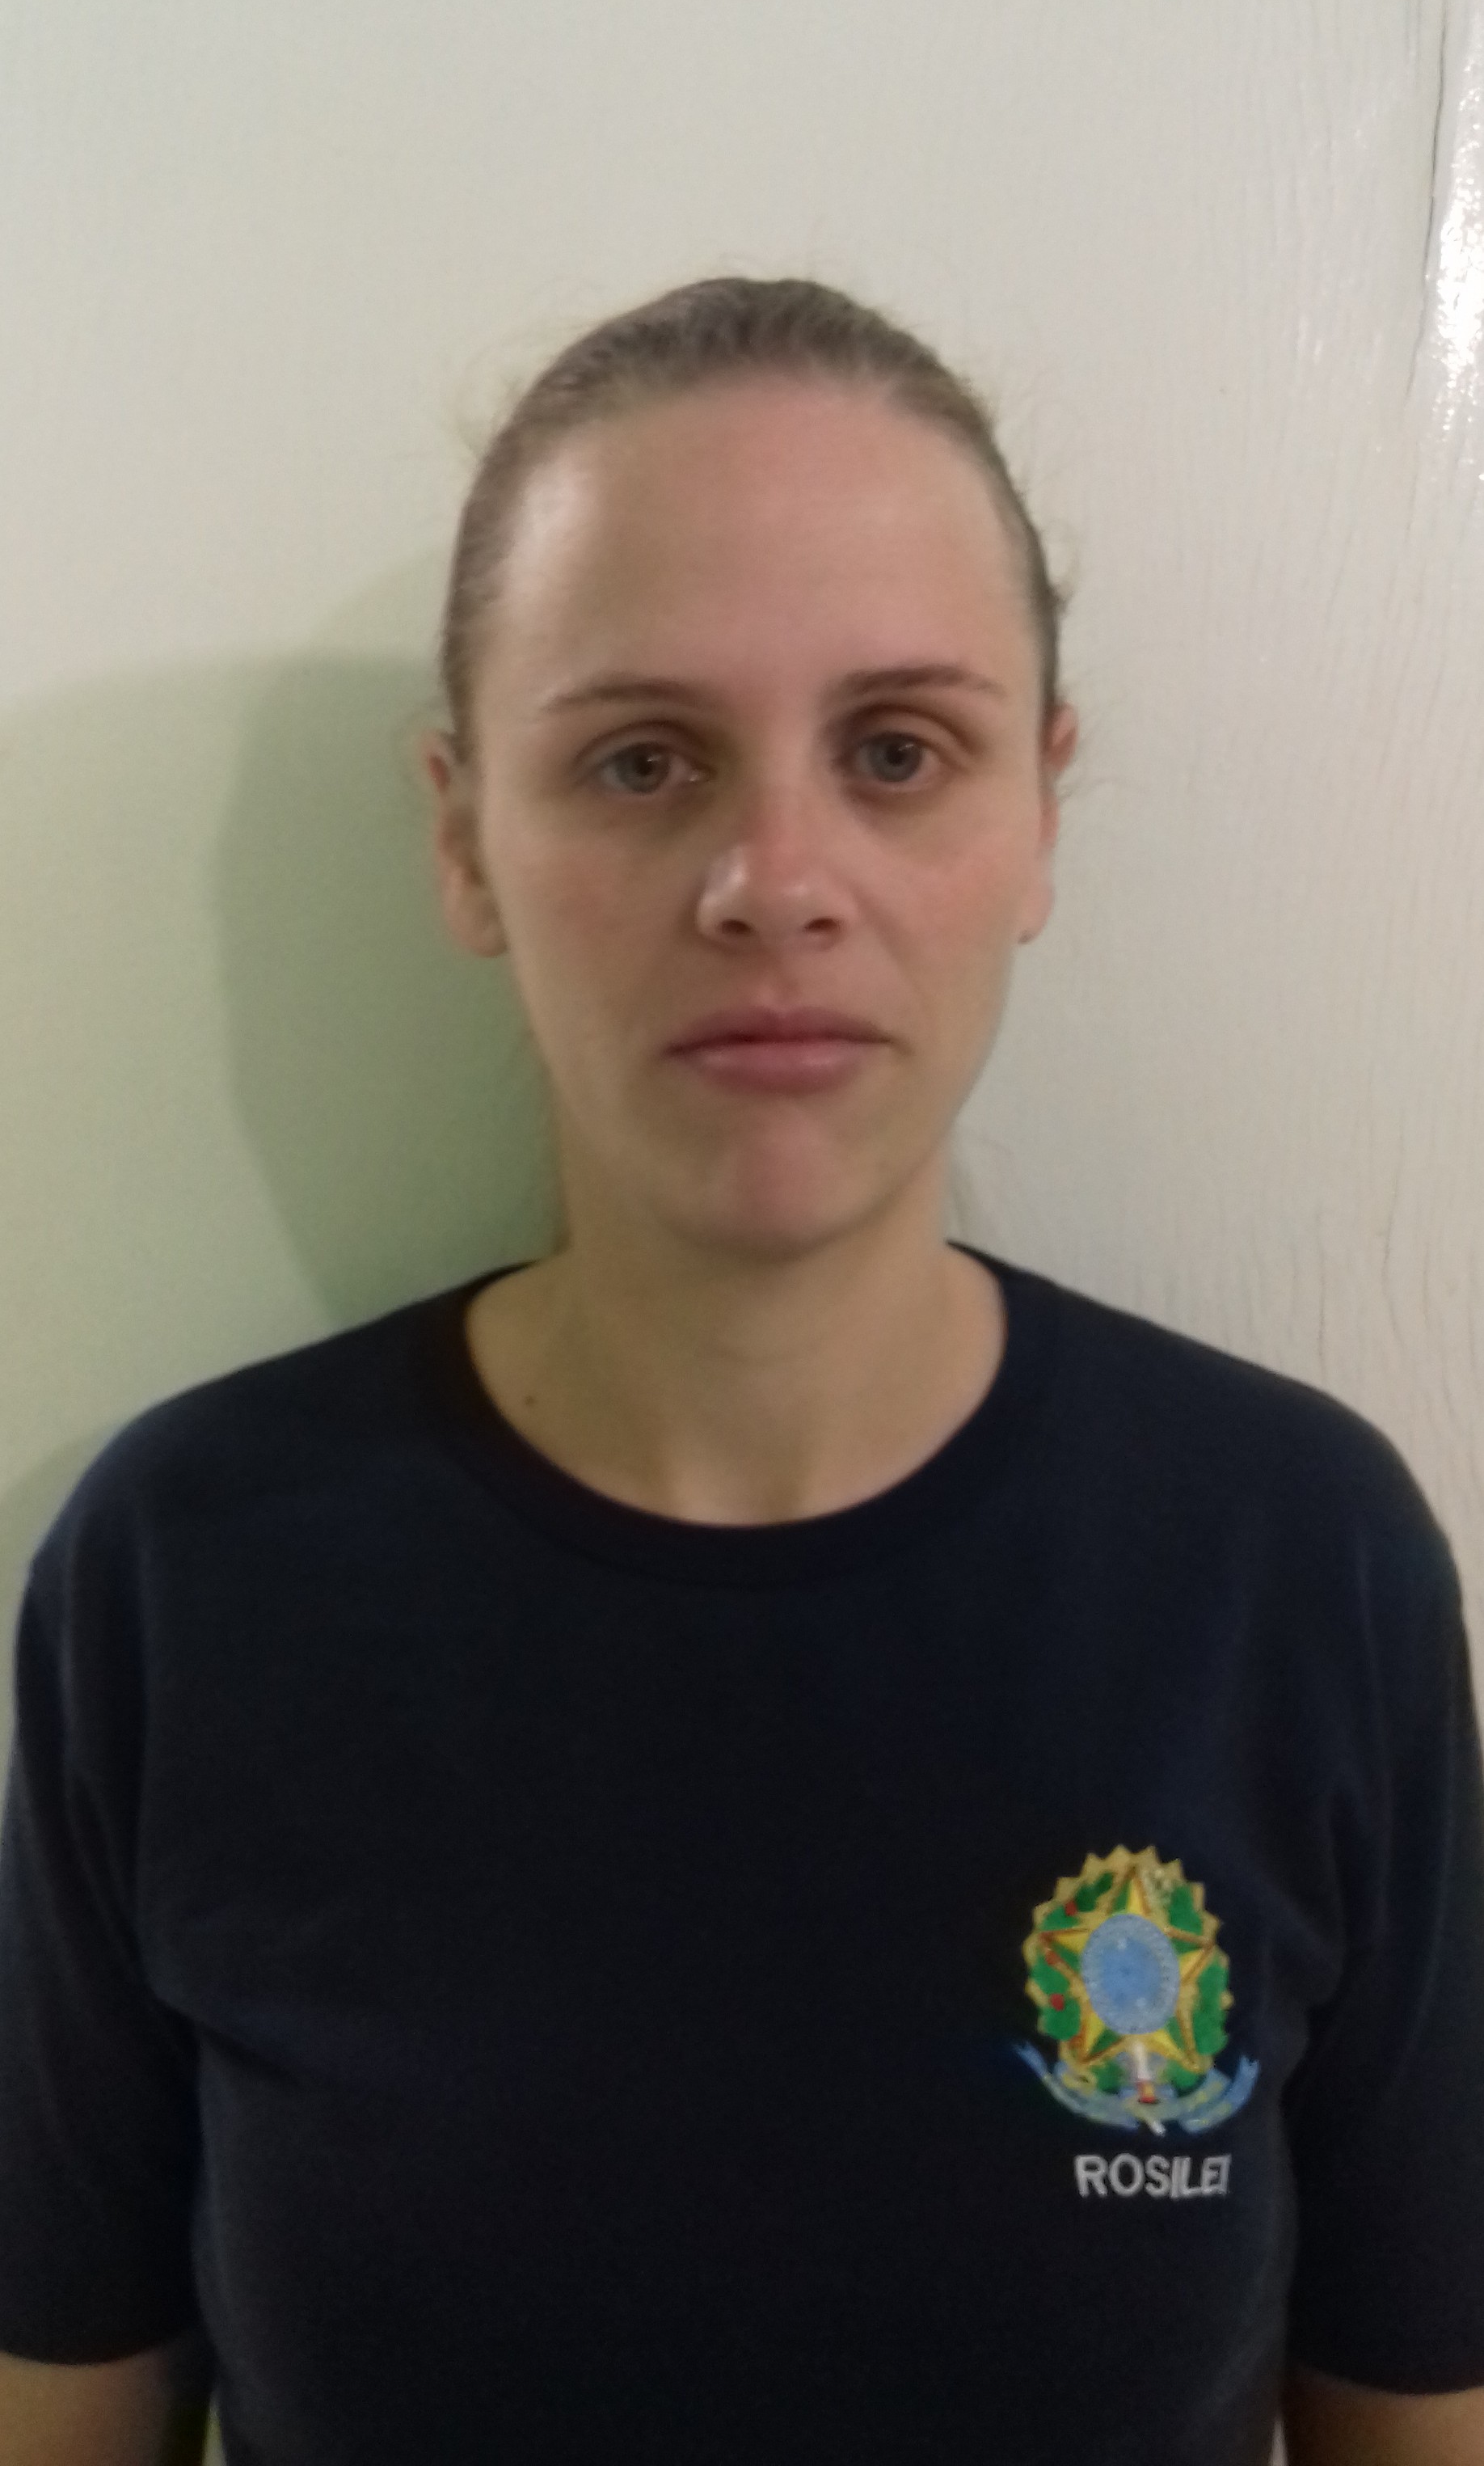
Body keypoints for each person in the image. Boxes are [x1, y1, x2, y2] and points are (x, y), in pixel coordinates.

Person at [1, 277, 1481, 2466]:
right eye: (639, 760)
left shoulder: (1295, 1563)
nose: (772, 882)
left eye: (896, 752)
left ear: (1040, 812)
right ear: (461, 837)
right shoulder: (183, 1570)